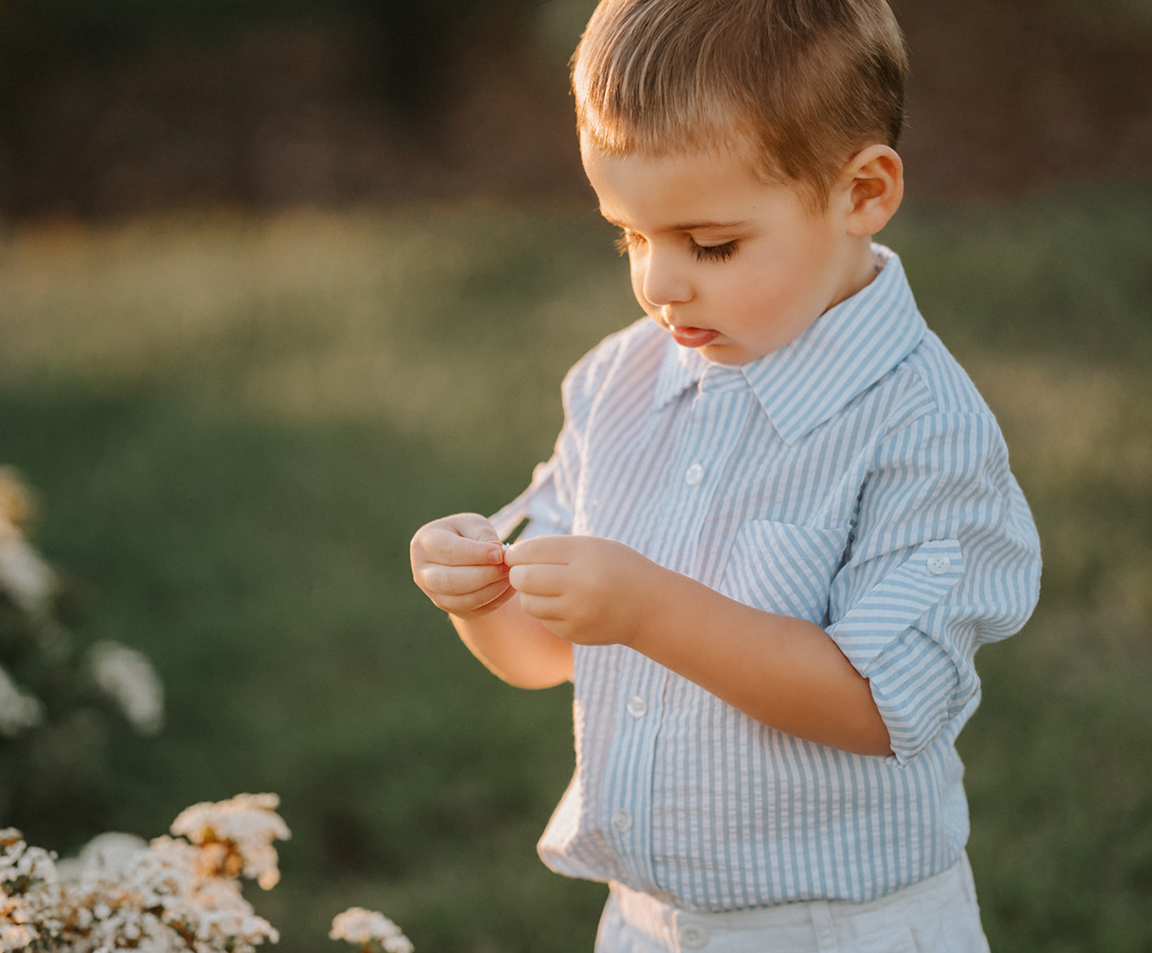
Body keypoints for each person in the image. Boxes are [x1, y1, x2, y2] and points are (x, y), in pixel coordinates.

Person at [408, 0, 1041, 949]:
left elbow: (882, 702)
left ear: (861, 193)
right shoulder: (620, 380)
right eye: (629, 235)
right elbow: (546, 653)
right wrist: (478, 596)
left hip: (837, 924)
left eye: (711, 244)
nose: (661, 282)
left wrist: (650, 609)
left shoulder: (920, 430)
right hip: (648, 922)